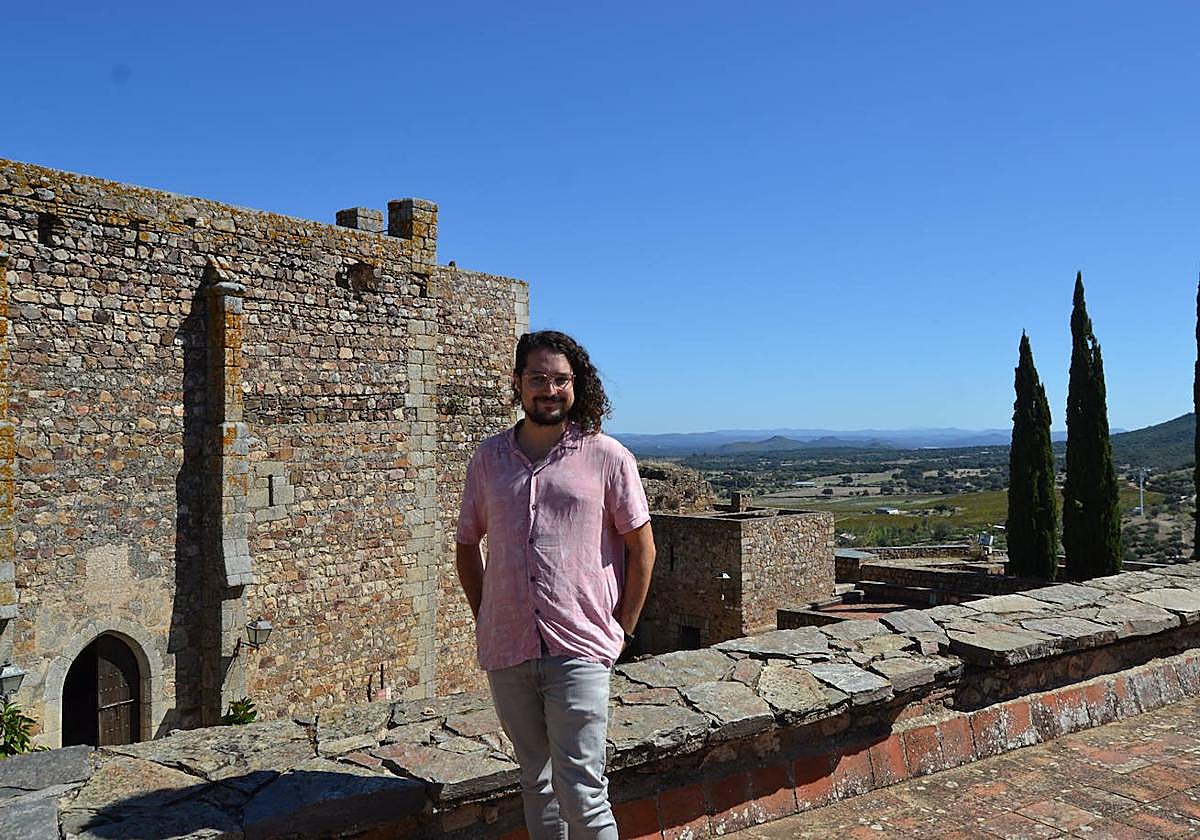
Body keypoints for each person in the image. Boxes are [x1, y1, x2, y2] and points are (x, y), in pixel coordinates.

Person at [455, 330, 656, 840]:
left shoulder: (607, 456)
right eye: (538, 378)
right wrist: (488, 615)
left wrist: (623, 629)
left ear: (577, 385)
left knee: (583, 790)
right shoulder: (489, 459)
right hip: (508, 647)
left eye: (561, 380)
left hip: (581, 644)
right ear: (518, 384)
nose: (550, 389)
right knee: (535, 782)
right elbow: (465, 543)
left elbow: (643, 549)